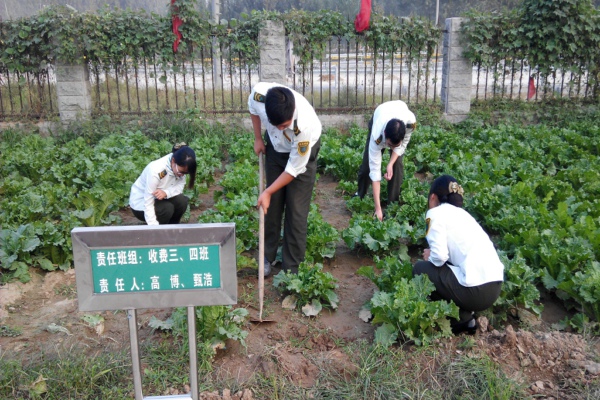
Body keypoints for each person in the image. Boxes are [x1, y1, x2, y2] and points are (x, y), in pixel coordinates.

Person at [413, 175, 504, 335]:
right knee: (444, 268)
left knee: (420, 269)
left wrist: (430, 256)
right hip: (494, 286)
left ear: (432, 197)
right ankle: (466, 318)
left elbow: (440, 257)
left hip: (477, 292)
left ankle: (460, 319)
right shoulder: (464, 215)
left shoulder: (433, 214)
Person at [248, 82, 322, 276]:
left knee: (296, 211)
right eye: (277, 125)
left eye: (285, 125)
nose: (282, 128)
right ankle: (266, 256)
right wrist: (258, 138)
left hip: (300, 156)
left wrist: (267, 190)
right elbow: (252, 108)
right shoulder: (260, 96)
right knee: (271, 206)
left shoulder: (303, 126)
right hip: (275, 149)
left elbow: (294, 168)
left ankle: (292, 268)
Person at [356, 100, 416, 221]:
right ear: (385, 135)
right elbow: (375, 172)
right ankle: (360, 195)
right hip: (380, 113)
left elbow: (402, 146)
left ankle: (392, 204)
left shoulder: (410, 124)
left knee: (397, 165)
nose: (391, 148)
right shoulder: (377, 134)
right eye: (389, 144)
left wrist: (390, 163)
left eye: (395, 145)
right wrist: (378, 209)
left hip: (399, 110)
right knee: (367, 166)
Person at [129, 143, 197, 225]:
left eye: (185, 173)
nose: (182, 175)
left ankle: (172, 229)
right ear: (173, 161)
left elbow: (180, 186)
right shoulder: (156, 170)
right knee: (167, 209)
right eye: (181, 172)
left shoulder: (181, 166)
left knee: (182, 201)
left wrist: (166, 193)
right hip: (141, 203)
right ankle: (158, 232)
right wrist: (154, 227)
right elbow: (148, 202)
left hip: (160, 198)